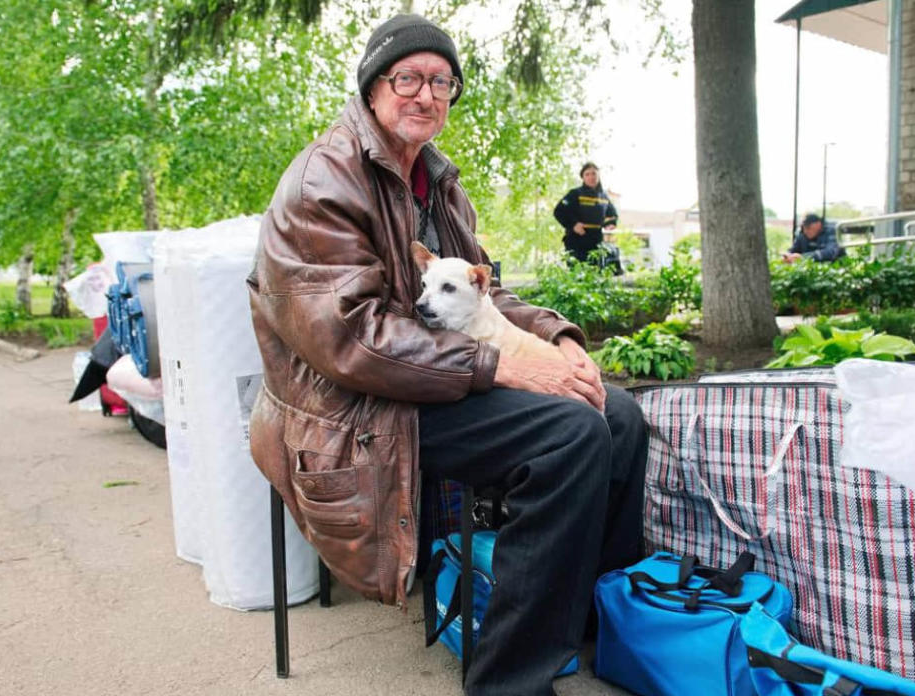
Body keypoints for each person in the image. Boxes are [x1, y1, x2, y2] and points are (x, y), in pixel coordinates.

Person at [246, 14, 648, 696]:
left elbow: (482, 294)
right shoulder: (325, 179)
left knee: (616, 414)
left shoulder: (437, 181)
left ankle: (583, 622)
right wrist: (501, 367)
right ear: (374, 88)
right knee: (569, 434)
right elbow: (350, 338)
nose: (424, 95)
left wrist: (559, 339)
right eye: (407, 78)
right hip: (355, 407)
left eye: (440, 81)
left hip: (425, 381)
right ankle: (508, 681)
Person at [553, 162, 620, 264]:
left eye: (594, 174)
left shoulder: (604, 197)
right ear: (583, 177)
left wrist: (610, 224)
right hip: (576, 242)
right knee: (577, 276)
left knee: (596, 275)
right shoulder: (575, 194)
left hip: (596, 243)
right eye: (587, 174)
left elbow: (612, 215)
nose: (591, 177)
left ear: (598, 175)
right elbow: (559, 211)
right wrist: (573, 224)